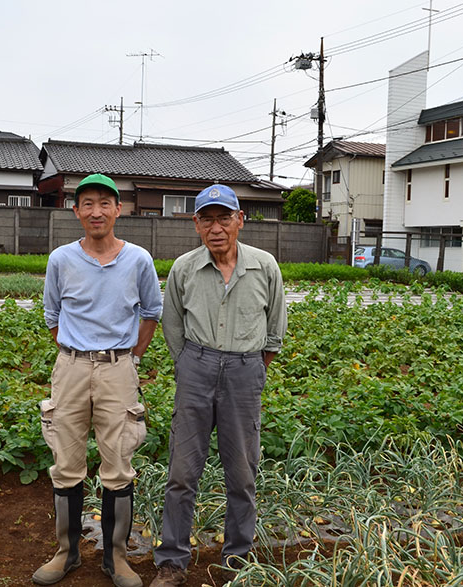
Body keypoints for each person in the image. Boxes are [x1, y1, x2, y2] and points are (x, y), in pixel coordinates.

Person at [150, 184, 288, 586]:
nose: (216, 227)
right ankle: (172, 561)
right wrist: (190, 363)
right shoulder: (184, 268)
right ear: (196, 224)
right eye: (206, 218)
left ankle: (238, 559)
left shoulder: (264, 266)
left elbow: (275, 330)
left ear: (239, 220)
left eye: (224, 217)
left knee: (242, 471)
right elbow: (171, 323)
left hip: (245, 372)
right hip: (196, 367)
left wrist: (251, 367)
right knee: (182, 471)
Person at [34, 173, 162, 587]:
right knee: (66, 464)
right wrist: (75, 354)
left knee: (118, 464)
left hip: (117, 369)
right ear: (76, 211)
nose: (96, 211)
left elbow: (151, 313)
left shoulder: (138, 259)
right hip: (70, 367)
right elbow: (52, 316)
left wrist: (129, 358)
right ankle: (65, 553)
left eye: (104, 203)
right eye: (87, 203)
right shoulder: (61, 259)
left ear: (118, 210)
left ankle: (117, 558)